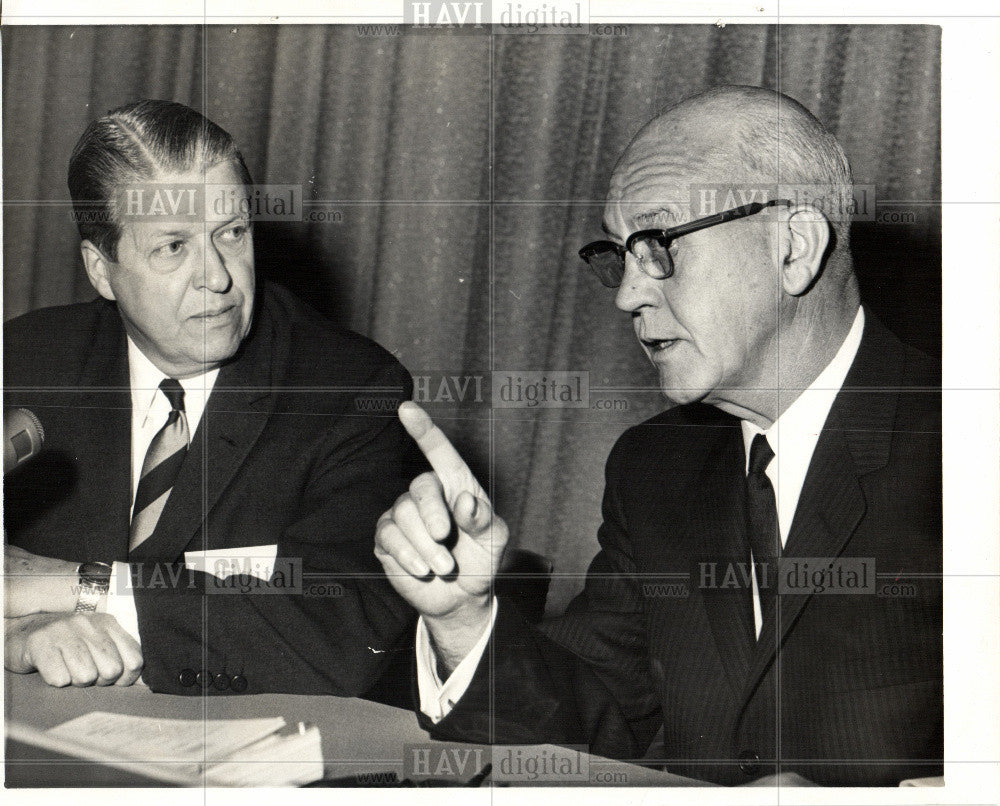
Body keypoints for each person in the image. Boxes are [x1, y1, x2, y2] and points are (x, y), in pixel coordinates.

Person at [374, 86, 942, 785]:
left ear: (794, 247)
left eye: (658, 244)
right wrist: (464, 617)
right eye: (619, 255)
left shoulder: (967, 448)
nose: (626, 295)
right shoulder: (655, 468)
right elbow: (594, 727)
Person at [4, 99, 417, 696]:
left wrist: (76, 586)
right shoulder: (27, 362)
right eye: (173, 246)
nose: (218, 277)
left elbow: (343, 631)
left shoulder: (350, 390)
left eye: (232, 233)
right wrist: (15, 637)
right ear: (101, 270)